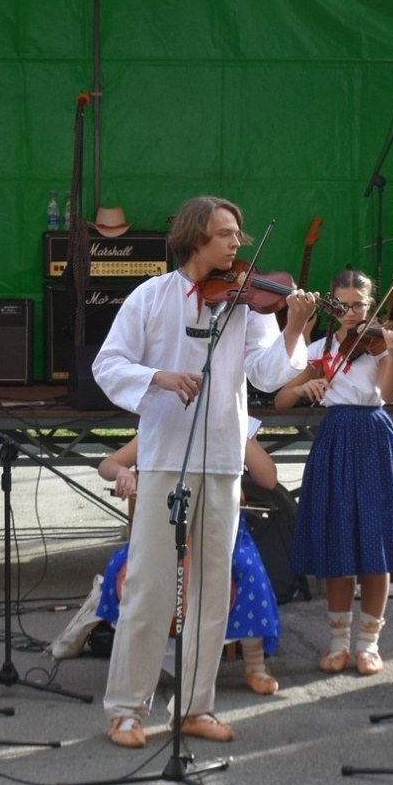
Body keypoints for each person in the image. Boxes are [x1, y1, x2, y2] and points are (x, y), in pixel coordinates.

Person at [91, 195, 314, 749]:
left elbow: (267, 375)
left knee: (213, 590)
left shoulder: (248, 304)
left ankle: (195, 706)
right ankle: (127, 710)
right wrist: (159, 377)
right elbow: (108, 364)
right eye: (225, 234)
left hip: (222, 461)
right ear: (195, 238)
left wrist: (293, 328)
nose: (237, 243)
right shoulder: (151, 296)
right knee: (149, 586)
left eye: (239, 234)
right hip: (166, 456)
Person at [274, 268, 393, 678]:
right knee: (338, 543)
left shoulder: (381, 345)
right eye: (343, 305)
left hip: (373, 435)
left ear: (370, 305)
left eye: (359, 305)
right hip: (334, 437)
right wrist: (302, 388)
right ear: (331, 305)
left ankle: (368, 644)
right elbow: (281, 400)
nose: (351, 313)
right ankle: (338, 642)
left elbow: (390, 393)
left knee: (375, 544)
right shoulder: (320, 349)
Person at [95, 425, 283, 695]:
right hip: (166, 527)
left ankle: (255, 665)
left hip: (223, 529)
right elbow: (107, 465)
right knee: (122, 566)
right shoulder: (164, 421)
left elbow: (269, 480)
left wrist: (239, 433)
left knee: (248, 568)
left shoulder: (236, 422)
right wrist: (122, 472)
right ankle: (138, 661)